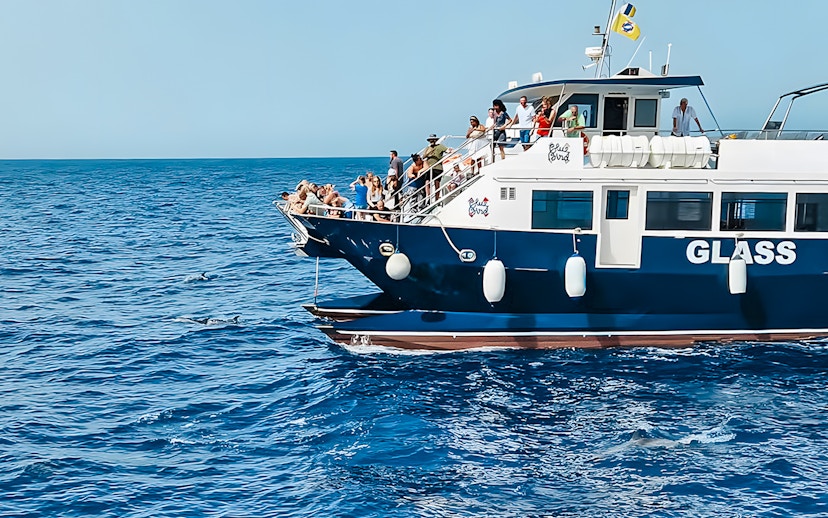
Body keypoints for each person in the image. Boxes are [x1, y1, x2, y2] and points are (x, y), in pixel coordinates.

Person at [423, 134, 448, 202]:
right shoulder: (428, 148)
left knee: (437, 183)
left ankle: (437, 198)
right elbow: (424, 156)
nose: (432, 141)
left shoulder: (440, 146)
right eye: (431, 140)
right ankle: (428, 196)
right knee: (427, 182)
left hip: (437, 167)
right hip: (429, 167)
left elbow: (447, 150)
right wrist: (429, 153)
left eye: (433, 139)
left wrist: (450, 151)